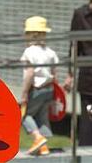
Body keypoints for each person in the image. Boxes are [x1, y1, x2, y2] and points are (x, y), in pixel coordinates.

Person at [20, 16, 58, 156]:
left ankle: (38, 138)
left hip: (36, 90)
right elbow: (55, 72)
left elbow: (29, 74)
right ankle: (44, 147)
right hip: (49, 89)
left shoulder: (29, 52)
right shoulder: (50, 52)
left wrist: (24, 93)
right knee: (42, 116)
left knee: (25, 116)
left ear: (30, 34)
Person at [64, 0, 92, 146]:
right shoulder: (80, 14)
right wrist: (70, 73)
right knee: (88, 125)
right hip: (89, 78)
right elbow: (74, 46)